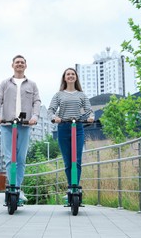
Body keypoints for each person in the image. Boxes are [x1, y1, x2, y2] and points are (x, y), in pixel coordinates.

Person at [0, 55, 41, 202]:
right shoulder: (5, 83)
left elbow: (37, 101)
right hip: (7, 124)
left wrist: (35, 117)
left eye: (22, 62)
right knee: (9, 158)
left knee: (20, 158)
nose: (19, 64)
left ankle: (17, 189)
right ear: (12, 65)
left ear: (26, 65)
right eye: (17, 62)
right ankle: (13, 186)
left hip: (25, 125)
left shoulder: (32, 84)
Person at [47, 67, 94, 200]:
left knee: (77, 160)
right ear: (64, 77)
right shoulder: (59, 94)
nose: (70, 76)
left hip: (78, 127)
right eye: (68, 74)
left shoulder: (81, 95)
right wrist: (54, 117)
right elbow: (50, 110)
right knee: (68, 161)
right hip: (63, 127)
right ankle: (70, 188)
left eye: (73, 74)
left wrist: (90, 117)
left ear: (76, 77)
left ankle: (76, 187)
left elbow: (89, 110)